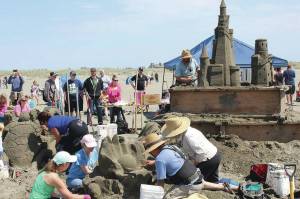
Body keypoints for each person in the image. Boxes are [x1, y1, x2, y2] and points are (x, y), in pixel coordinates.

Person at [143, 133, 236, 198]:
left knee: (167, 197)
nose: (151, 153)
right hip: (197, 176)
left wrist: (156, 196)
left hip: (190, 184)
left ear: (153, 149)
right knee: (203, 184)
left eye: (150, 151)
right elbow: (170, 159)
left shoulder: (159, 159)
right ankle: (233, 187)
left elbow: (160, 184)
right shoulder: (171, 148)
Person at [161, 117, 221, 183]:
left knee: (196, 181)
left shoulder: (189, 136)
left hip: (209, 159)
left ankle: (231, 187)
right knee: (213, 181)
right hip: (213, 156)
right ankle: (228, 187)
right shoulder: (185, 133)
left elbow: (201, 153)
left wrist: (193, 164)